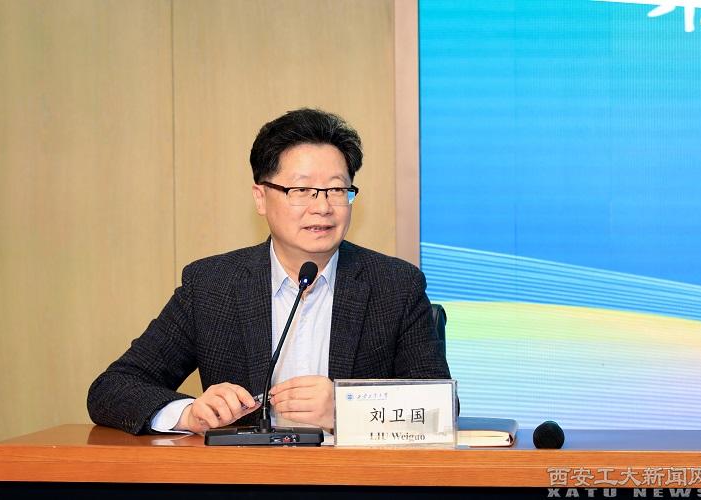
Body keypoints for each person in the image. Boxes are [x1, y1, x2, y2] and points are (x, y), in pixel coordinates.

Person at [87, 108, 452, 435]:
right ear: (261, 197)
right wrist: (189, 414)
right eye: (302, 190)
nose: (323, 207)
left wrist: (348, 408)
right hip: (246, 480)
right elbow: (112, 388)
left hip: (353, 479)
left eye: (337, 189)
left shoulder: (395, 285)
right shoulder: (212, 286)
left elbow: (441, 410)